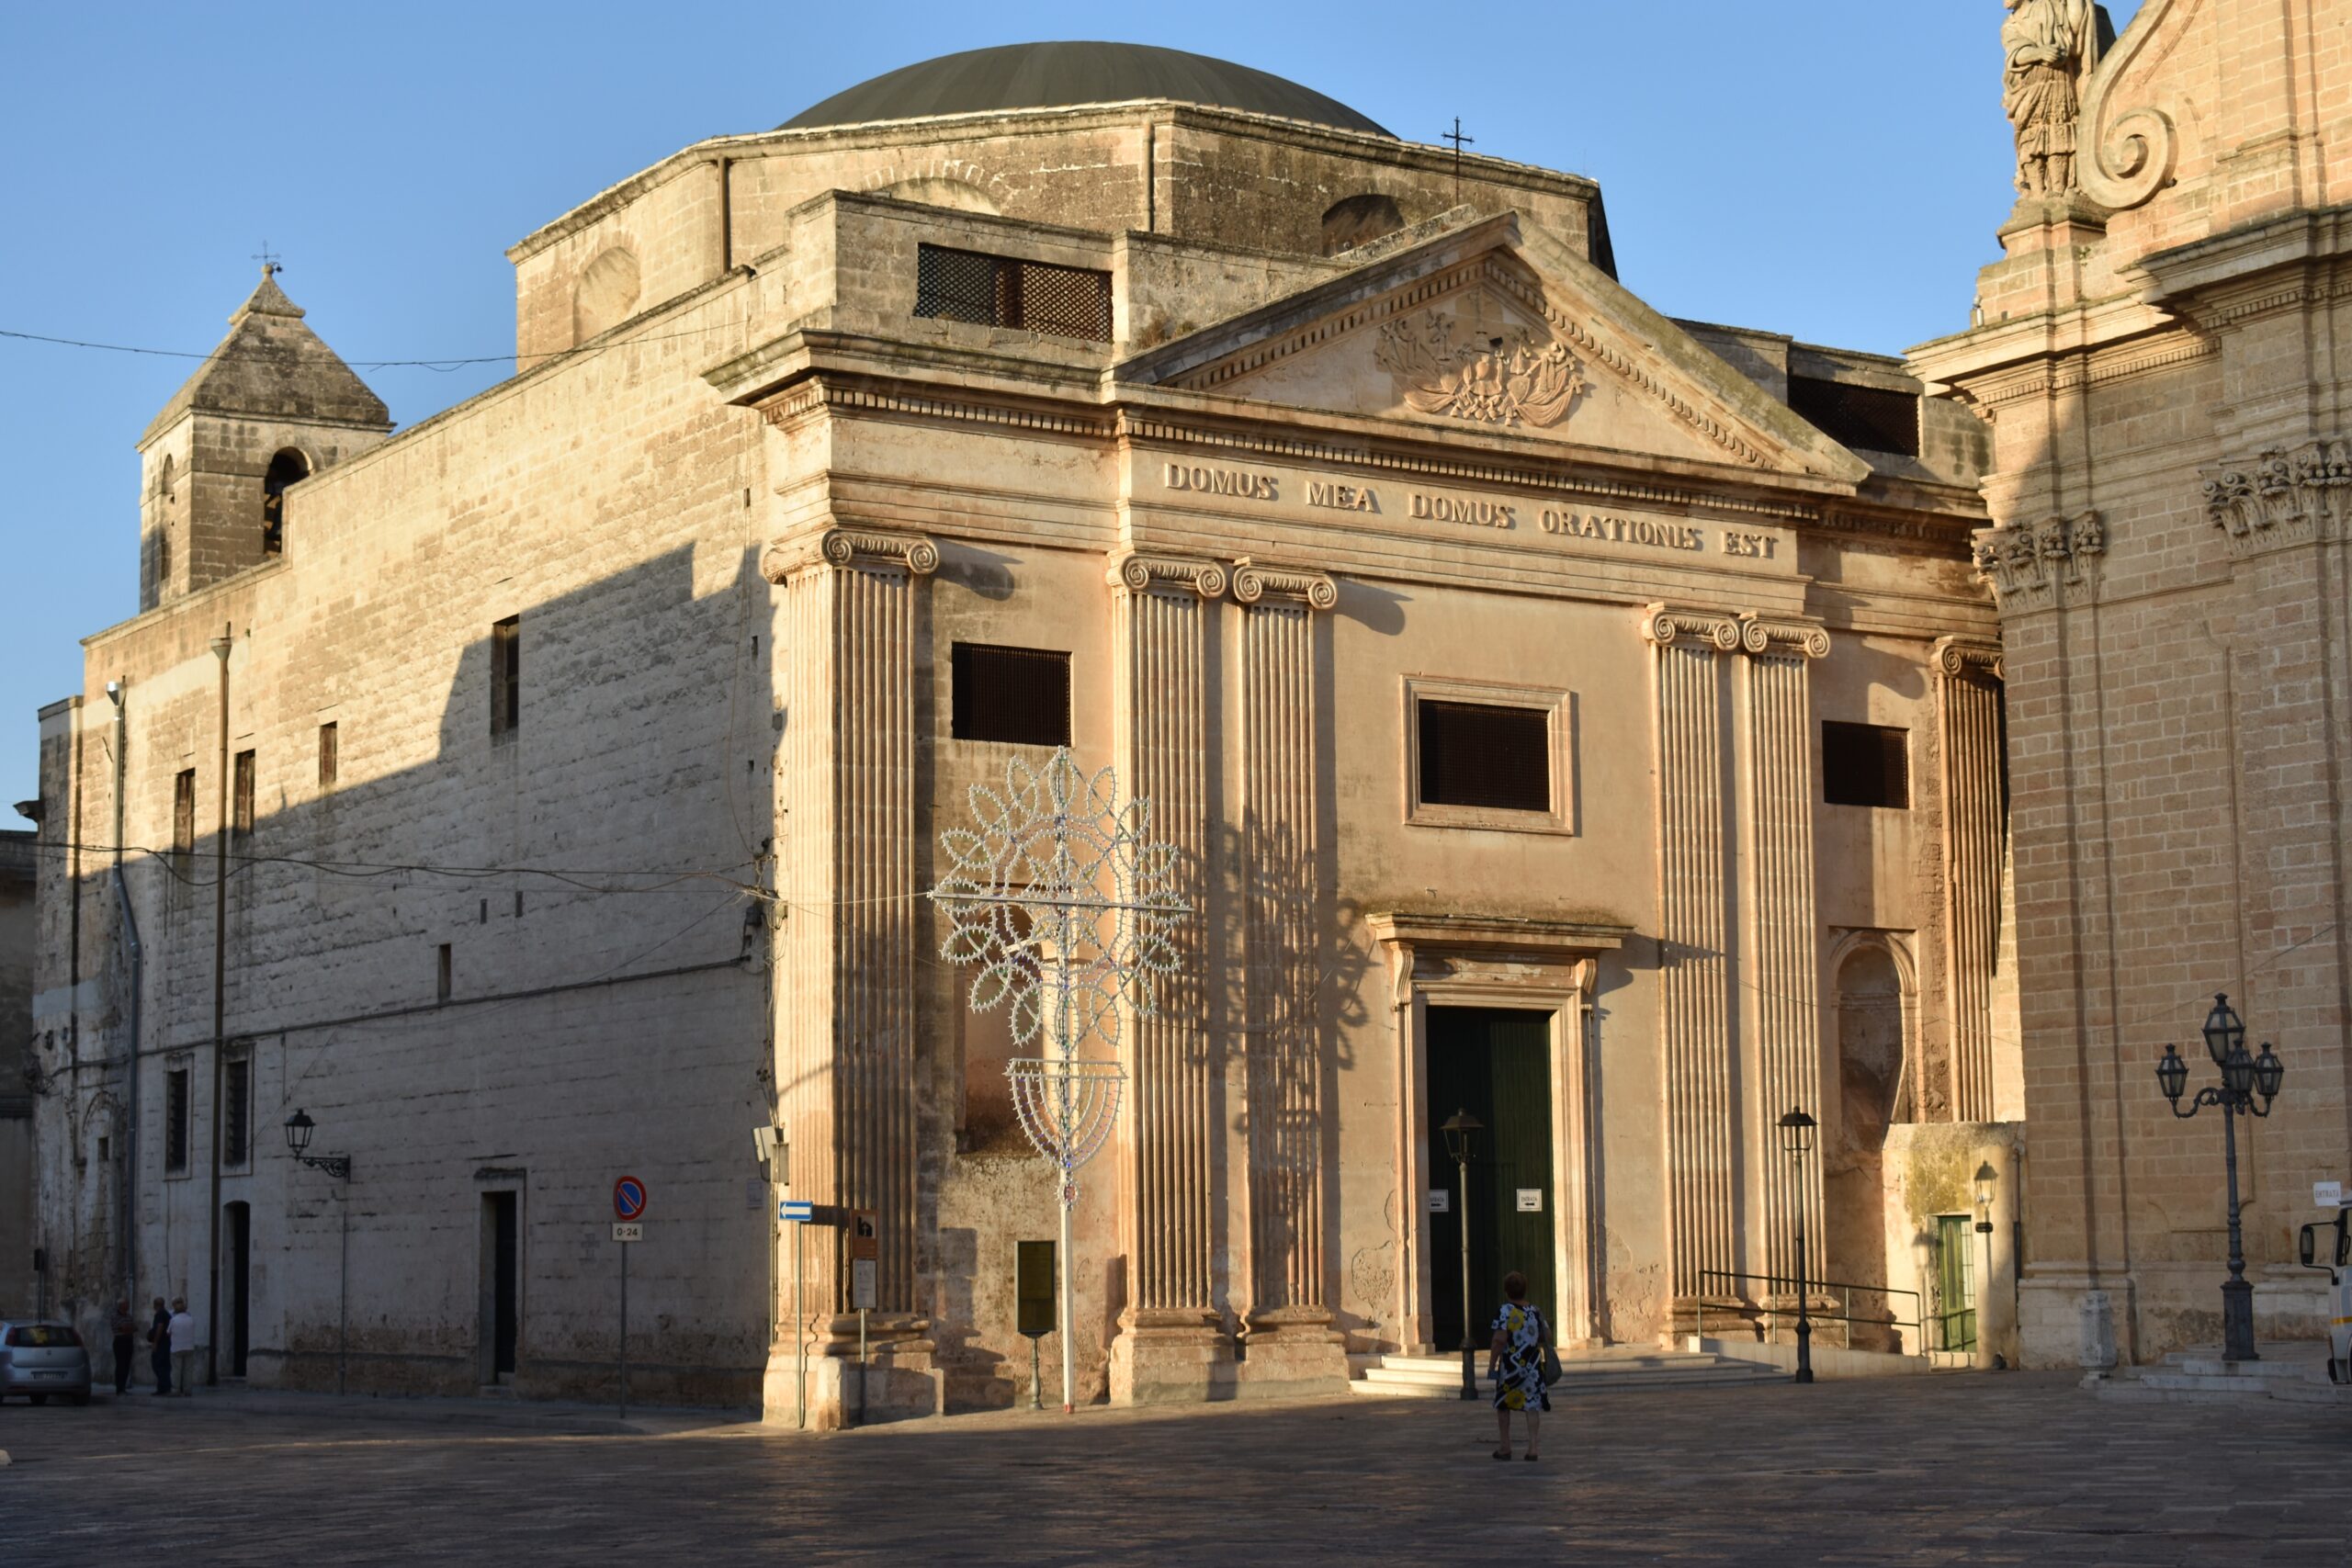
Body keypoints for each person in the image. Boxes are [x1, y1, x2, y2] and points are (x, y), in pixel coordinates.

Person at [1487, 1271, 1551, 1461]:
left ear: (1507, 1291)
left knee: (1503, 1406)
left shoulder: (1505, 1311)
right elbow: (1547, 1336)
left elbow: (1499, 1340)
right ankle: (1533, 1448)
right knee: (1532, 1406)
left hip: (1510, 1367)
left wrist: (1492, 1365)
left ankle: (1505, 1447)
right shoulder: (1535, 1311)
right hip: (1532, 1365)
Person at [167, 1297, 198, 1397]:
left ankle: (176, 1390)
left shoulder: (173, 1319)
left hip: (176, 1348)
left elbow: (168, 1333)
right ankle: (187, 1390)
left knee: (176, 1370)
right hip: (189, 1347)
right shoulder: (190, 1318)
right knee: (188, 1370)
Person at [110, 1300, 136, 1396]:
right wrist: (128, 1328)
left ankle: (123, 1387)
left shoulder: (129, 1316)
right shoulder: (115, 1316)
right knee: (120, 1365)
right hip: (120, 1341)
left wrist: (128, 1328)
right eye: (126, 1304)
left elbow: (134, 1327)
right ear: (121, 1305)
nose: (128, 1305)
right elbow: (121, 1328)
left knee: (126, 1365)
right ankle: (119, 1388)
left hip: (129, 1341)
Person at [147, 1296, 172, 1395]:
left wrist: (155, 1342)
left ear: (155, 1305)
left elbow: (160, 1327)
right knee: (164, 1366)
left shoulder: (160, 1314)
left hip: (161, 1344)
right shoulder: (166, 1314)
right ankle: (165, 1387)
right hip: (166, 1344)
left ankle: (163, 1388)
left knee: (158, 1365)